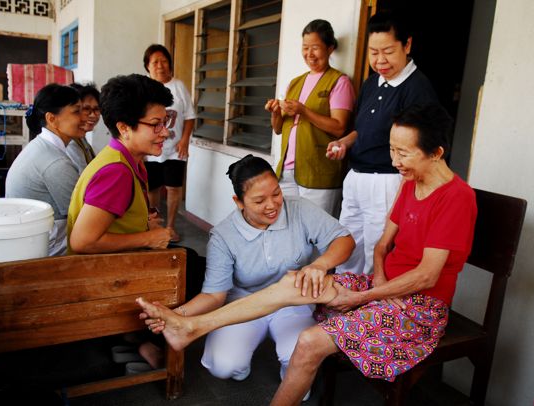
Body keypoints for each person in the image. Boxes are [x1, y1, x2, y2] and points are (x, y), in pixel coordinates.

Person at [137, 104, 477, 405]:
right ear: (239, 202)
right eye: (391, 149)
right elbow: (381, 246)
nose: (394, 161)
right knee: (295, 281)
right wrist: (378, 282)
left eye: (403, 153)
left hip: (420, 306)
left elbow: (427, 276)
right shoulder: (411, 182)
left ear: (436, 152)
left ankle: (195, 329)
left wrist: (365, 297)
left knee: (309, 342)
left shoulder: (456, 198)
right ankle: (192, 326)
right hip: (383, 289)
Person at [140, 154, 354, 386]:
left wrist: (320, 264)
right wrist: (175, 315)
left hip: (294, 302)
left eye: (276, 194)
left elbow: (343, 239)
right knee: (224, 365)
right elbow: (214, 295)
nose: (272, 205)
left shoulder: (299, 209)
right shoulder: (223, 236)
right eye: (259, 201)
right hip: (244, 304)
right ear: (239, 202)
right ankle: (241, 363)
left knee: (299, 356)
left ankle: (292, 378)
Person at [326, 11, 439, 275]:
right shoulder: (371, 83)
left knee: (376, 251)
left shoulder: (418, 89)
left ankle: (368, 299)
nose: (379, 60)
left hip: (387, 181)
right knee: (347, 243)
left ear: (407, 45)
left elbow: (420, 149)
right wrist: (344, 142)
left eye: (387, 51)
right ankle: (344, 293)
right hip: (356, 176)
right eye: (373, 52)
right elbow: (363, 130)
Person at [66, 74, 173, 254]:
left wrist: (142, 224)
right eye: (156, 124)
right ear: (124, 128)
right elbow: (82, 242)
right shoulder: (116, 172)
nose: (165, 132)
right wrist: (148, 238)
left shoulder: (127, 159)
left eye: (165, 122)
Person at [264, 19, 355, 217]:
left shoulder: (339, 82)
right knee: (288, 226)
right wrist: (275, 112)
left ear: (330, 48)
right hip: (287, 171)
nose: (309, 54)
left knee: (316, 230)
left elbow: (339, 127)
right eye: (305, 48)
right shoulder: (295, 83)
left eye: (315, 48)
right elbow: (278, 129)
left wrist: (304, 111)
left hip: (318, 174)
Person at [5, 83, 85, 256]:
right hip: (41, 252)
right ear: (52, 119)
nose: (84, 118)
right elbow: (84, 216)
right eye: (76, 111)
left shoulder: (41, 146)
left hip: (26, 241)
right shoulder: (56, 163)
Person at [143, 44, 196, 243]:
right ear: (147, 66)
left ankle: (171, 227)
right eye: (155, 62)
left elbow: (190, 116)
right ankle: (155, 225)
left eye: (164, 61)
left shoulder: (178, 86)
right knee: (152, 189)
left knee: (174, 187)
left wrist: (185, 140)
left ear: (170, 64)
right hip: (150, 150)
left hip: (175, 149)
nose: (160, 66)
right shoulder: (144, 89)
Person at [66, 82, 100, 173]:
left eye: (96, 109)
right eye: (86, 109)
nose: (93, 115)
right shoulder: (70, 143)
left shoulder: (81, 138)